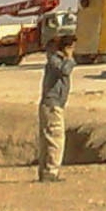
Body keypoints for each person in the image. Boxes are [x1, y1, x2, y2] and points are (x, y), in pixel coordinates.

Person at [37, 24, 75, 183]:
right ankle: (51, 171)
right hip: (52, 105)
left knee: (49, 139)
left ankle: (47, 171)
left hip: (52, 104)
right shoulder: (55, 59)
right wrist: (69, 57)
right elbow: (64, 70)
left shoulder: (54, 58)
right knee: (55, 138)